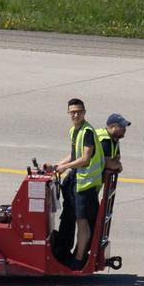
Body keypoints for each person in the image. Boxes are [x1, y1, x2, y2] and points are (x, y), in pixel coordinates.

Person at [50, 98, 105, 264]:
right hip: (77, 182)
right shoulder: (74, 130)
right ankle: (66, 251)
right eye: (72, 112)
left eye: (79, 111)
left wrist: (65, 167)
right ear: (68, 113)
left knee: (82, 222)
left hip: (85, 184)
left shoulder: (87, 131)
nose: (75, 114)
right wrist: (56, 165)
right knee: (70, 217)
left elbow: (85, 159)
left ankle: (79, 259)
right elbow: (74, 154)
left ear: (84, 112)